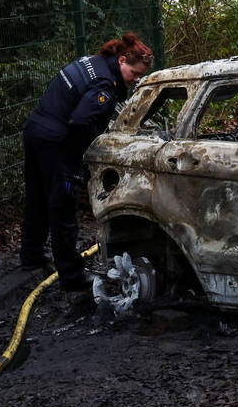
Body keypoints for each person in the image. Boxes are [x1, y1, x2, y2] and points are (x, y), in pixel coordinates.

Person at [20, 32, 153, 290]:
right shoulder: (104, 83)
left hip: (35, 130)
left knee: (36, 196)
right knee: (63, 207)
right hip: (57, 142)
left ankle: (31, 255)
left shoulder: (93, 62)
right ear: (123, 60)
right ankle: (72, 277)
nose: (135, 79)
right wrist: (95, 150)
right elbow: (81, 121)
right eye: (134, 74)